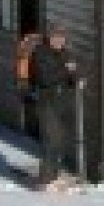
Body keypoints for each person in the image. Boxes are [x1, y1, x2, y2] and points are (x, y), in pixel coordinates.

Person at [28, 24, 81, 189]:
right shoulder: (40, 53)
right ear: (49, 37)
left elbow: (71, 76)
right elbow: (45, 78)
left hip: (62, 101)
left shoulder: (65, 53)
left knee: (61, 139)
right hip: (46, 101)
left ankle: (54, 175)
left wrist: (76, 78)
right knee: (52, 138)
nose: (59, 40)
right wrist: (66, 70)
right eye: (56, 37)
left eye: (61, 37)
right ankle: (45, 179)